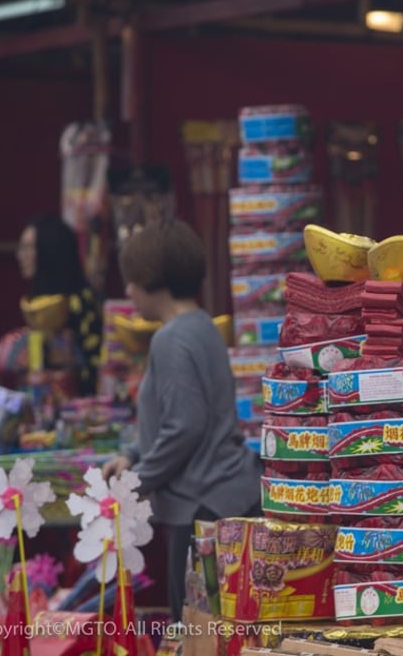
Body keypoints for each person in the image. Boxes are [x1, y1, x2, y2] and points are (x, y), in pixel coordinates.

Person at [101, 218, 261, 622]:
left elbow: (185, 425)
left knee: (193, 634)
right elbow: (186, 416)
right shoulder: (204, 327)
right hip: (231, 492)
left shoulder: (170, 338)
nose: (128, 291)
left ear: (153, 279)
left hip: (201, 507)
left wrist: (137, 479)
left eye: (132, 280)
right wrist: (134, 453)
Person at [13, 215, 102, 396]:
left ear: (49, 251)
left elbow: (94, 366)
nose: (21, 256)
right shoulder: (34, 302)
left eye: (29, 247)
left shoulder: (81, 302)